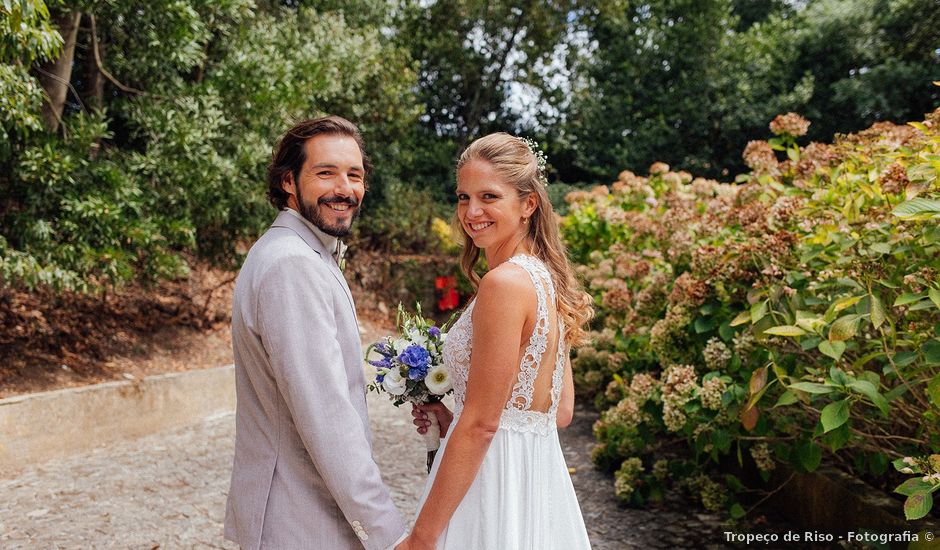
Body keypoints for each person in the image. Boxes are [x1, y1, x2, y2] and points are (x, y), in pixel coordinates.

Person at [399, 133, 595, 550]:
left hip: (493, 488)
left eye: (489, 196)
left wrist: (421, 538)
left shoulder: (504, 283)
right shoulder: (546, 279)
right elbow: (558, 411)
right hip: (537, 485)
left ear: (528, 204)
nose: (471, 212)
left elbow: (485, 423)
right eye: (462, 197)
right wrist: (455, 424)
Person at [224, 116, 406, 550]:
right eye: (325, 173)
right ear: (289, 181)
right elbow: (326, 416)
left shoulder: (306, 254)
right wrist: (388, 533)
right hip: (299, 518)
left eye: (354, 175)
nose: (344, 188)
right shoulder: (294, 265)